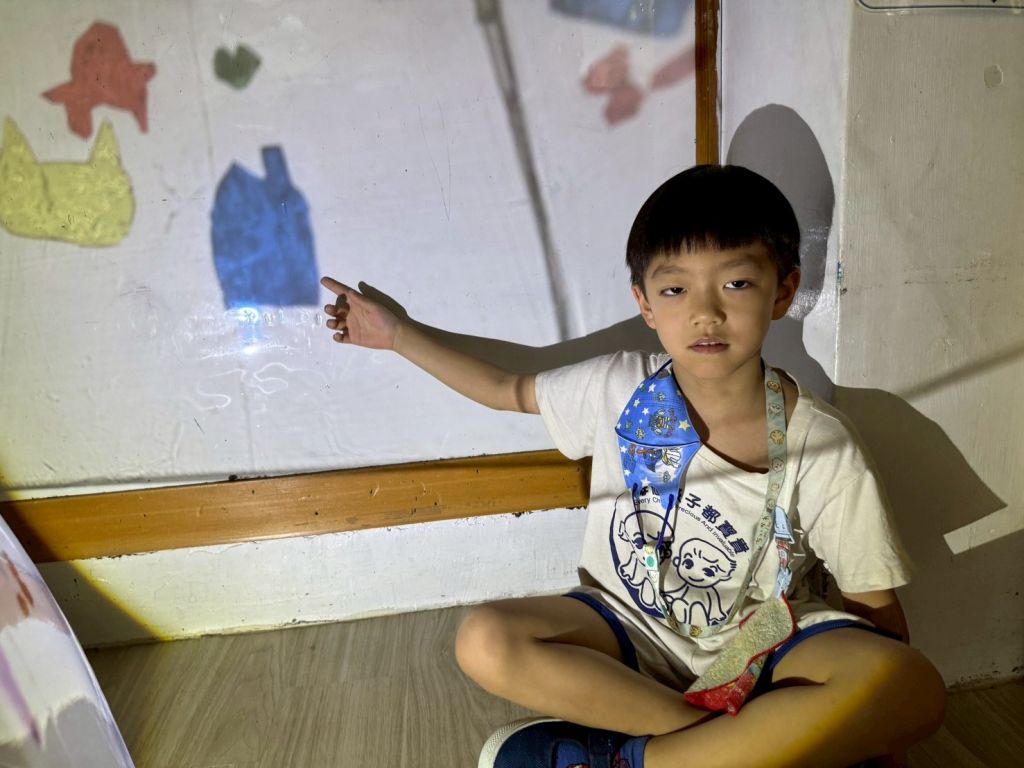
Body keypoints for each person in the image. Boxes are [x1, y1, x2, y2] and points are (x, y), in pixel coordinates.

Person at [320, 165, 946, 768]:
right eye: (675, 289)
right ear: (645, 303)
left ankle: (635, 758)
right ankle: (739, 749)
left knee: (911, 685)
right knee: (484, 639)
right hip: (626, 632)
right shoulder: (619, 386)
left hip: (766, 649)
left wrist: (884, 738)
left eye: (736, 283)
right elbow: (506, 389)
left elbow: (874, 606)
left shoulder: (822, 443)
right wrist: (396, 335)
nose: (705, 312)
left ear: (783, 290)